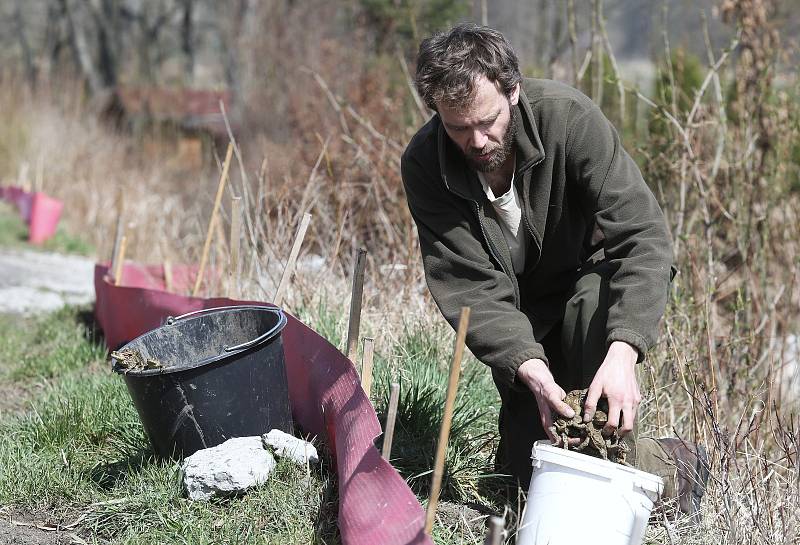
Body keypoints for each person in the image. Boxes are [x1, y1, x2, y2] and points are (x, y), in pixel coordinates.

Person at [401, 23, 708, 516]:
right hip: (525, 318)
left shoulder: (569, 119)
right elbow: (469, 289)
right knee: (528, 484)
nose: (478, 141)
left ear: (513, 90)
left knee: (600, 441)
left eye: (489, 121)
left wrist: (625, 350)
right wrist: (527, 366)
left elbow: (643, 235)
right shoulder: (424, 164)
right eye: (458, 128)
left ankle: (679, 468)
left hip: (590, 292)